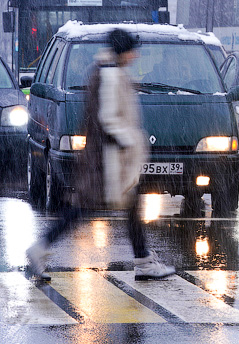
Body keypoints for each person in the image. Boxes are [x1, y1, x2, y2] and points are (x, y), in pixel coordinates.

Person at [26, 28, 176, 282]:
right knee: (83, 210)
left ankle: (143, 261)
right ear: (123, 51)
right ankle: (39, 250)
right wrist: (130, 142)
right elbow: (108, 119)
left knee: (127, 208)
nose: (135, 56)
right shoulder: (110, 75)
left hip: (107, 157)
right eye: (132, 51)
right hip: (108, 161)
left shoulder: (105, 70)